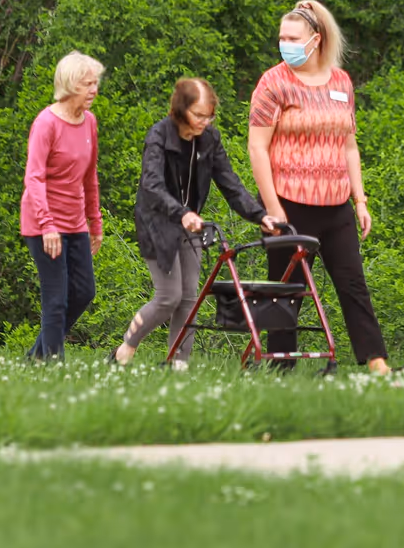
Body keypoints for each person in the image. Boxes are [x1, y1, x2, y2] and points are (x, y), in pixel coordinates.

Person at [248, 0, 391, 374]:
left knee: (353, 284)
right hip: (291, 203)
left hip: (336, 205)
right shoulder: (273, 82)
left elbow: (349, 144)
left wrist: (360, 200)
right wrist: (272, 208)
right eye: (281, 37)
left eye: (292, 37)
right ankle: (283, 368)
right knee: (287, 290)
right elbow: (257, 148)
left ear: (316, 39)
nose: (285, 43)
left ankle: (377, 363)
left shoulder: (341, 81)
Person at [114, 78, 280, 366]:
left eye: (209, 115)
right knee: (168, 297)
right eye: (198, 115)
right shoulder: (159, 136)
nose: (205, 121)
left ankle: (178, 365)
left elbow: (230, 184)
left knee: (189, 297)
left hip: (191, 224)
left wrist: (259, 215)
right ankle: (127, 347)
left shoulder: (210, 139)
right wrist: (181, 213)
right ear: (181, 110)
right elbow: (151, 185)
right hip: (158, 221)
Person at [18, 51, 104, 360]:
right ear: (69, 84)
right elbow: (34, 177)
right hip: (43, 224)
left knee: (84, 291)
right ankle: (51, 368)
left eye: (95, 83)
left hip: (75, 221)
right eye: (87, 83)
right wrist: (47, 225)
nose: (93, 89)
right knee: (55, 299)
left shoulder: (89, 122)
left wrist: (95, 223)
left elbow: (89, 176)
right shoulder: (46, 123)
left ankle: (37, 355)